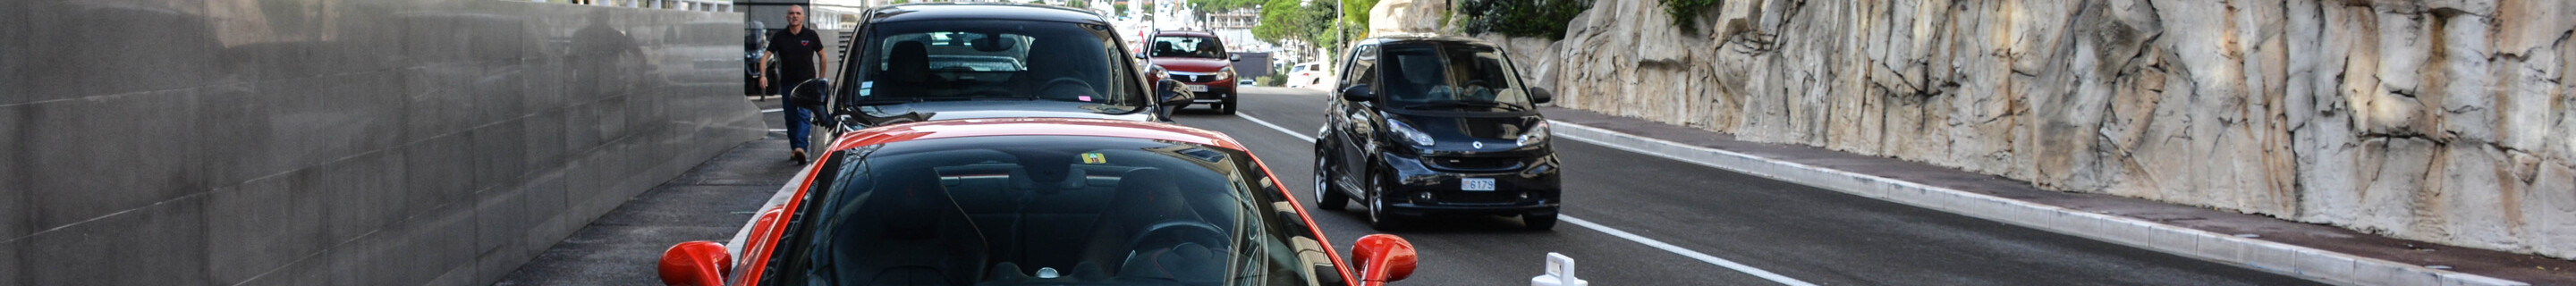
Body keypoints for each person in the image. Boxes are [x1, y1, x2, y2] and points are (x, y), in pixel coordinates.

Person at [759, 4, 829, 164]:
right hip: (787, 84)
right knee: (791, 118)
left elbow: (822, 56)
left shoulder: (811, 35)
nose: (794, 16)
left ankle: (801, 148)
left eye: (798, 13)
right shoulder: (780, 37)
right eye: (791, 13)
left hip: (807, 84)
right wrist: (762, 75)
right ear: (787, 17)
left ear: (803, 17)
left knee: (805, 116)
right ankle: (794, 149)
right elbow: (765, 56)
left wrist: (821, 79)